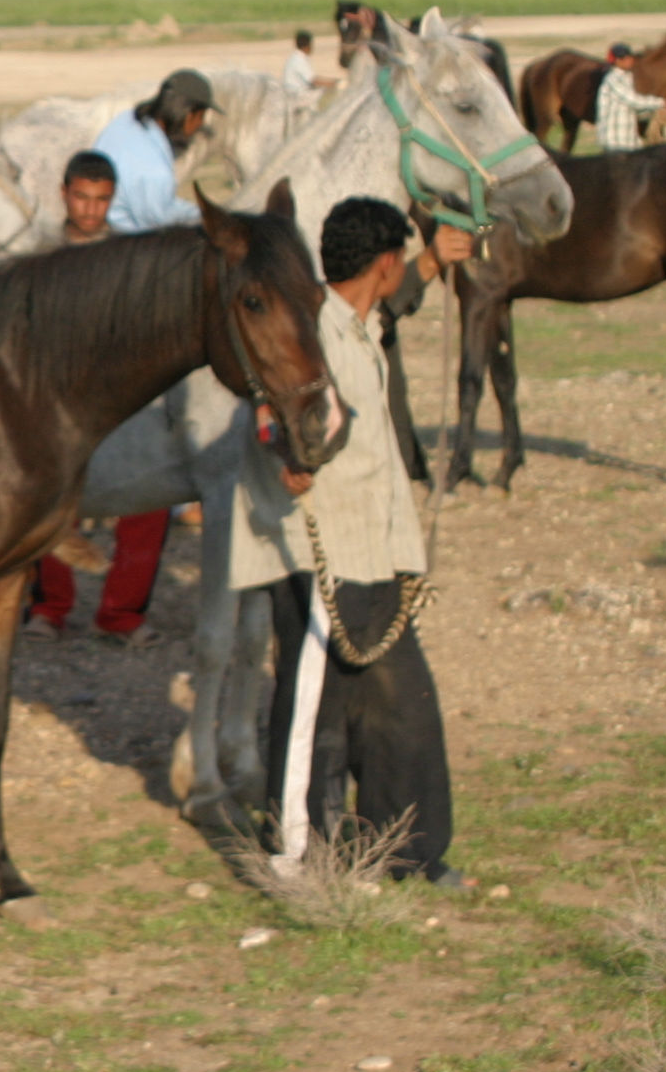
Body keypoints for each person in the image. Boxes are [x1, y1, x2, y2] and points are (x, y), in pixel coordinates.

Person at [228, 198, 475, 890]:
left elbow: (390, 307)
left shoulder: (360, 325)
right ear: (386, 264)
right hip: (321, 552)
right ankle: (296, 857)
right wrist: (284, 454)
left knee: (402, 702)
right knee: (315, 709)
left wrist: (436, 261)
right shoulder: (309, 330)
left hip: (376, 550)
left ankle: (410, 852)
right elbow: (265, 403)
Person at [26, 151, 167, 643]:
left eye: (101, 200)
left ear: (113, 199)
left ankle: (121, 615)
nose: (90, 210)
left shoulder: (129, 258)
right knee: (45, 500)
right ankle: (49, 608)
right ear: (64, 194)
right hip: (53, 402)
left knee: (150, 498)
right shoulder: (37, 255)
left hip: (118, 400)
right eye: (82, 198)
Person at [87, 67, 216, 234]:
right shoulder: (155, 169)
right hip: (118, 238)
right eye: (201, 117)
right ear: (188, 114)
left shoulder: (126, 119)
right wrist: (208, 216)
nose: (200, 125)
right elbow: (159, 222)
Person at [594, 41, 663, 153]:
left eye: (630, 57)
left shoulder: (628, 78)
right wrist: (661, 103)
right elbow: (633, 101)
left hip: (628, 140)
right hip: (615, 141)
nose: (630, 60)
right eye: (625, 58)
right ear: (617, 61)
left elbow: (635, 108)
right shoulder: (613, 79)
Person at [282, 29, 323, 112]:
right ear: (307, 46)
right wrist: (336, 83)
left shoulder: (295, 57)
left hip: (293, 94)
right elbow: (314, 80)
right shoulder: (299, 59)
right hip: (297, 96)